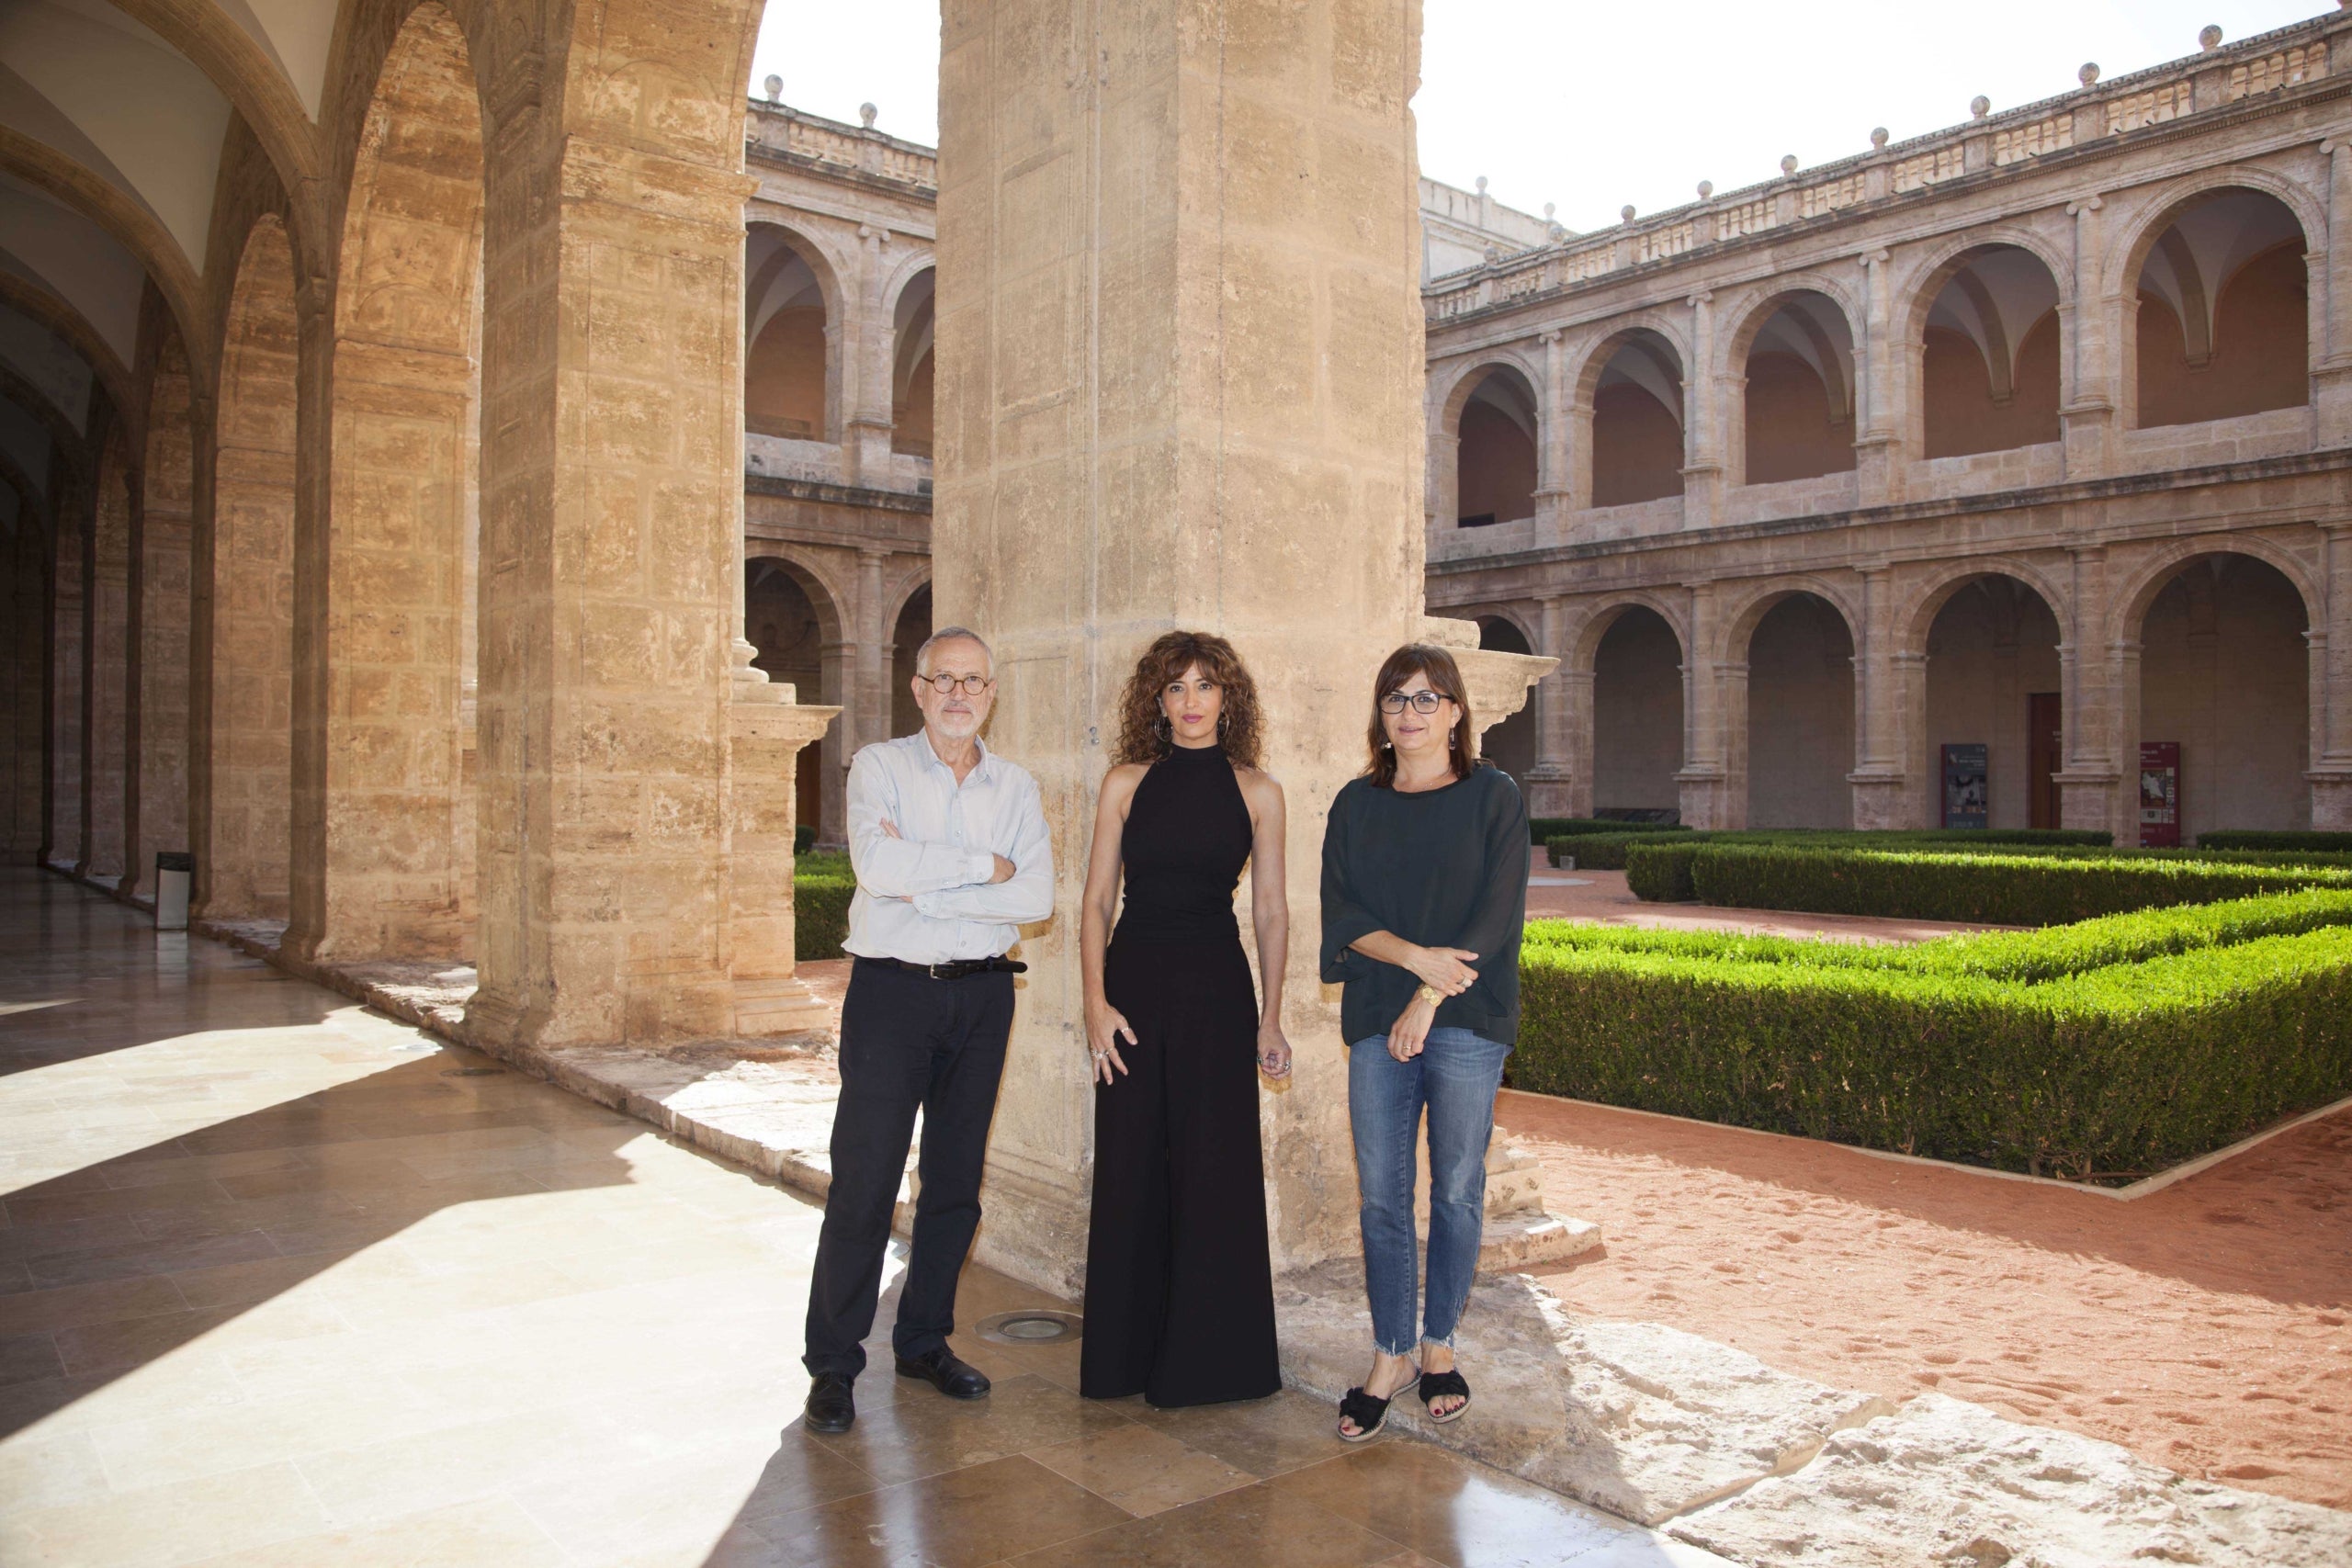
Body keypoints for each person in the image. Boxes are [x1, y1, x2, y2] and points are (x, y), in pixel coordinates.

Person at [799, 626, 1054, 1435]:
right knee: (865, 1180)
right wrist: (984, 867)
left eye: (973, 681)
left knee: (953, 1185)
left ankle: (922, 1339)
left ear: (990, 693)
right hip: (892, 997)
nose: (957, 695)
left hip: (983, 999)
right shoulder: (879, 767)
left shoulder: (1016, 786)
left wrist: (932, 885)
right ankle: (835, 1364)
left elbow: (1037, 898)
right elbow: (876, 868)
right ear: (917, 689)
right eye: (942, 679)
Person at [1318, 642, 1529, 1442]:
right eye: (1396, 699)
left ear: (1456, 710)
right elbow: (1342, 911)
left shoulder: (1494, 796)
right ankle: (1392, 1352)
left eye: (1426, 697)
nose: (1410, 712)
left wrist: (1430, 999)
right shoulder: (1355, 802)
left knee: (1454, 1188)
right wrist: (1413, 967)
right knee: (1380, 1194)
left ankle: (1439, 1342)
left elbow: (1495, 917)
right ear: (1381, 714)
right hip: (1380, 1014)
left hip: (1469, 1020)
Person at [1076, 630, 1291, 1406]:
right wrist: (1094, 1004)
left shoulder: (1259, 791)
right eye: (1176, 687)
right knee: (1131, 1163)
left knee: (1214, 1165)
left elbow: (1269, 910)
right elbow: (1097, 900)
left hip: (1217, 991)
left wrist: (1271, 1018)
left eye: (1205, 686)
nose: (1191, 701)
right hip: (1133, 987)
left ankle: (1211, 1365)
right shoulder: (1125, 783)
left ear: (1227, 698)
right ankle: (1123, 1361)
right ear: (1156, 701)